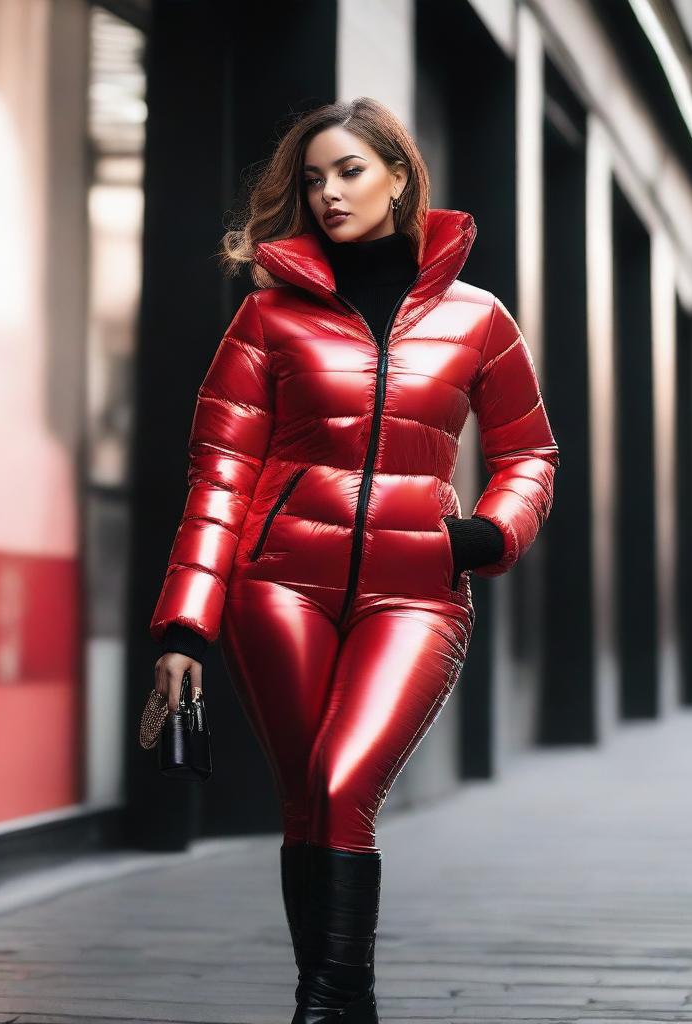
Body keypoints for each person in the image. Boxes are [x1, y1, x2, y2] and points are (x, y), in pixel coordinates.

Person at [149, 97, 560, 1023]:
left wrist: (490, 532)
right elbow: (220, 476)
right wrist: (186, 622)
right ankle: (336, 1005)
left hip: (417, 593)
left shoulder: (479, 319)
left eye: (349, 172)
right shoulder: (266, 318)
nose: (328, 193)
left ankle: (331, 1002)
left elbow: (529, 452)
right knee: (310, 799)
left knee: (340, 782)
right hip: (277, 584)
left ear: (399, 178)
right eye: (312, 179)